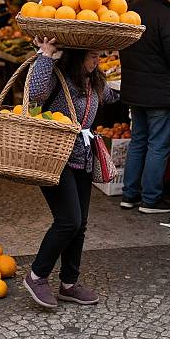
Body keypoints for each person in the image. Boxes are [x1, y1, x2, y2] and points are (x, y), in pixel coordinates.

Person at [23, 39, 118, 309]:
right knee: (68, 220)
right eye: (92, 56)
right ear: (77, 56)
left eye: (99, 55)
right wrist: (45, 55)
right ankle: (36, 276)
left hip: (83, 157)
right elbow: (35, 94)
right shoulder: (57, 76)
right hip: (54, 157)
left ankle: (68, 284)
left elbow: (113, 96)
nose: (97, 61)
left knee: (81, 224)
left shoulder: (95, 81)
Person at [119, 0, 170, 214]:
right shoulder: (166, 14)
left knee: (139, 141)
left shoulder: (132, 11)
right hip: (160, 93)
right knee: (158, 145)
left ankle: (129, 195)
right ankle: (151, 199)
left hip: (135, 90)